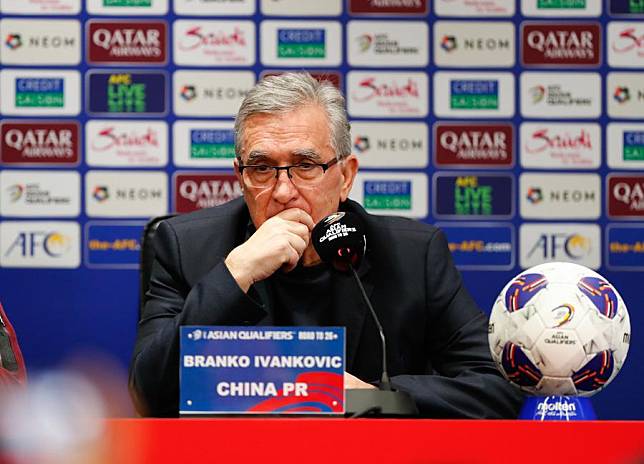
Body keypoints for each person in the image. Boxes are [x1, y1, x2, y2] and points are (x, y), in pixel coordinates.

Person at [129, 72, 523, 418]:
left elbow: (497, 387)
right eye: (262, 168)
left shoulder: (410, 255)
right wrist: (236, 275)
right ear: (240, 175)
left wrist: (378, 396)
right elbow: (148, 395)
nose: (283, 191)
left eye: (305, 166)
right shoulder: (186, 246)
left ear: (345, 176)